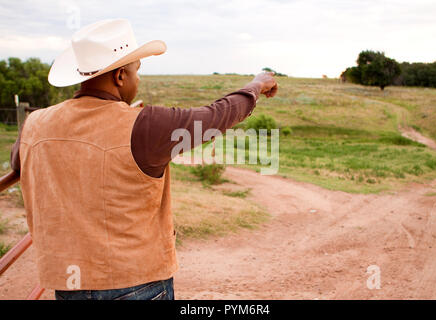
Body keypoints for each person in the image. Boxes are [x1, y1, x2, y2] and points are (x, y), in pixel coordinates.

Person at [10, 18, 277, 300]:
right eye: (137, 70)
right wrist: (256, 85)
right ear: (120, 76)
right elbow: (215, 116)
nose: (138, 79)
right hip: (136, 283)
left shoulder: (34, 124)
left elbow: (20, 163)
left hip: (68, 285)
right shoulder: (144, 124)